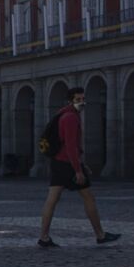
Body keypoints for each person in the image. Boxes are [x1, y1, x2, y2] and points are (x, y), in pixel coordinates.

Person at [38, 87, 120, 247]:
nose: (82, 102)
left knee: (52, 199)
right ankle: (100, 235)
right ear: (70, 101)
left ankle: (44, 237)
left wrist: (81, 164)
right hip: (67, 164)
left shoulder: (64, 113)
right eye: (78, 99)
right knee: (88, 197)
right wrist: (78, 170)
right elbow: (70, 146)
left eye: (83, 99)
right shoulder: (70, 117)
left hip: (58, 162)